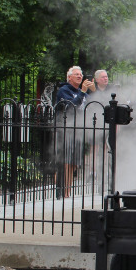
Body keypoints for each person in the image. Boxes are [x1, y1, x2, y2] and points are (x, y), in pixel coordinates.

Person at [55, 66, 94, 197]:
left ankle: (67, 190)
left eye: (81, 74)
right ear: (69, 77)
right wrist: (82, 92)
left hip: (78, 130)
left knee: (74, 163)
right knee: (66, 161)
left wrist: (93, 92)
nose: (79, 76)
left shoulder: (83, 92)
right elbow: (70, 107)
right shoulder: (64, 91)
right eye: (76, 74)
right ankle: (62, 191)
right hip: (65, 129)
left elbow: (94, 105)